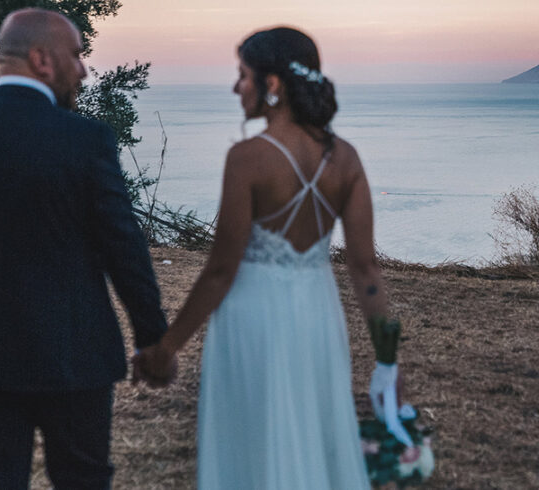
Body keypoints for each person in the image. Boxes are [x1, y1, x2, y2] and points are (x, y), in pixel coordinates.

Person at [0, 8, 171, 489]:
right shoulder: (85, 139)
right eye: (77, 55)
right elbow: (122, 247)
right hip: (75, 348)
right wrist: (153, 338)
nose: (84, 69)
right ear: (42, 60)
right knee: (83, 480)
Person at [134, 26, 410, 489]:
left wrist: (166, 347)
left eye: (242, 75)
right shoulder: (346, 159)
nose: (236, 87)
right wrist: (388, 362)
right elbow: (366, 269)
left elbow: (221, 270)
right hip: (318, 317)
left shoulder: (248, 158)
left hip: (253, 316)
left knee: (253, 443)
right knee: (313, 434)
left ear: (273, 84)